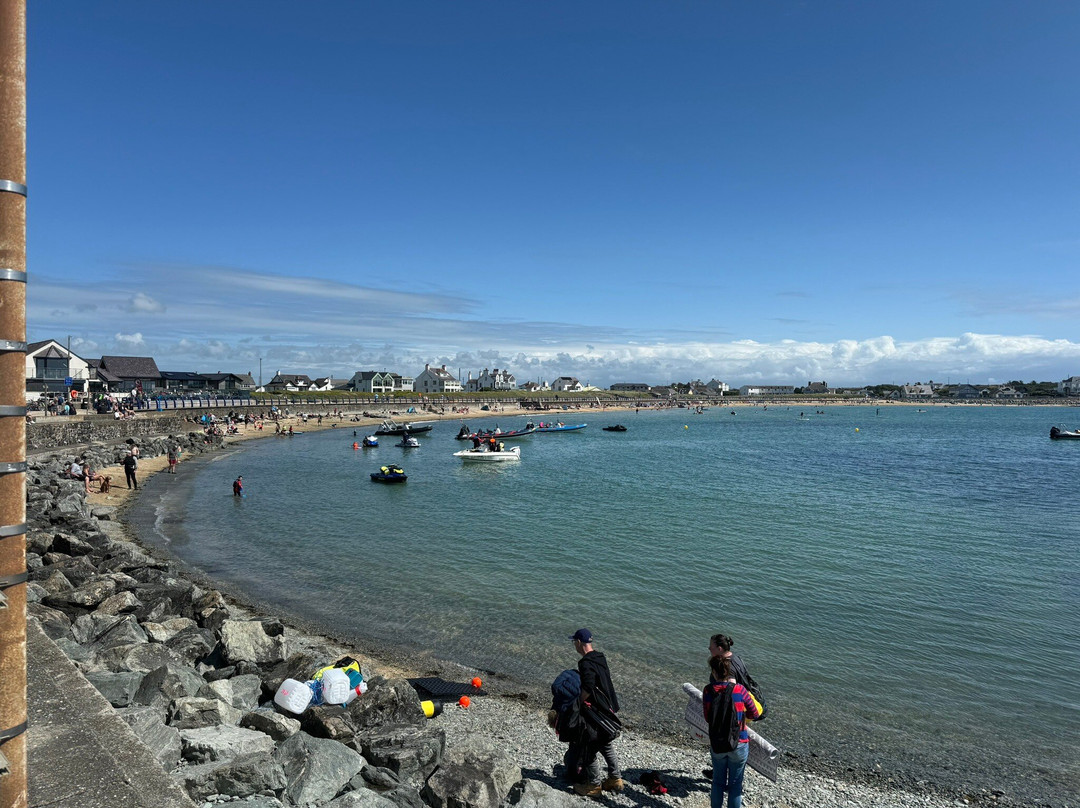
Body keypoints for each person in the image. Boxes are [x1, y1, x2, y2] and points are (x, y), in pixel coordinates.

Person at [570, 628, 623, 796]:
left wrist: (578, 702)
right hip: (608, 706)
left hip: (596, 710)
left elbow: (588, 686)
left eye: (574, 642)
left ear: (579, 642)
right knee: (606, 742)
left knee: (589, 745)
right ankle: (615, 778)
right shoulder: (600, 657)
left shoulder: (585, 662)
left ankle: (594, 786)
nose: (574, 645)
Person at [702, 654, 760, 808]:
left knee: (718, 782)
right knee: (735, 785)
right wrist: (741, 717)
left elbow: (708, 717)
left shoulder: (708, 690)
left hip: (717, 742)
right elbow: (755, 713)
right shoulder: (739, 690)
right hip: (739, 742)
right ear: (728, 672)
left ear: (714, 672)